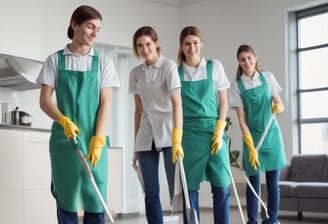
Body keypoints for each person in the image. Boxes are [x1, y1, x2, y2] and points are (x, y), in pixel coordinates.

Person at [37, 5, 120, 224]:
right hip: (65, 141)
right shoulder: (55, 60)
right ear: (74, 25)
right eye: (90, 26)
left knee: (95, 197)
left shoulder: (103, 63)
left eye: (98, 29)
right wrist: (63, 120)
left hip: (94, 141)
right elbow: (44, 101)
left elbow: (106, 104)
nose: (94, 33)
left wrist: (98, 140)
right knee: (67, 197)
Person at [129, 26, 184, 224]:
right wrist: (136, 144)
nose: (144, 49)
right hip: (146, 135)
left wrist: (177, 138)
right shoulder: (135, 73)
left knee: (177, 191)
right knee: (150, 192)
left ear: (157, 43)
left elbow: (177, 103)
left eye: (148, 44)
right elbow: (138, 110)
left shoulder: (169, 67)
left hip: (169, 133)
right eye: (140, 46)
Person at [177, 26, 231, 224]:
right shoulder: (176, 73)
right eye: (187, 44)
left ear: (201, 44)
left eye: (195, 43)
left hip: (213, 132)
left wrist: (219, 130)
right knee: (189, 188)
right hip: (188, 135)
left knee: (222, 186)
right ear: (182, 47)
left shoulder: (214, 66)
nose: (192, 47)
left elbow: (223, 101)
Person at [229, 44, 286, 224]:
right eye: (242, 59)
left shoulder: (267, 77)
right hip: (252, 138)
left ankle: (272, 220)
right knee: (253, 184)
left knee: (273, 185)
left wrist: (279, 106)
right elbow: (242, 120)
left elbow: (279, 103)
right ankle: (252, 221)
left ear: (255, 57)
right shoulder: (237, 85)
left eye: (249, 58)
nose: (246, 62)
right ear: (239, 62)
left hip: (272, 136)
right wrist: (250, 146)